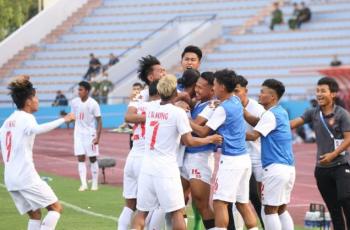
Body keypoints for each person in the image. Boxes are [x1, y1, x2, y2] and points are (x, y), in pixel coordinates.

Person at [131, 75, 222, 230]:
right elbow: (189, 141)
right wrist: (210, 139)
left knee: (141, 213)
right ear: (174, 91)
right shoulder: (177, 113)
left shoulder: (151, 107)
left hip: (147, 167)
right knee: (177, 213)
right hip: (166, 168)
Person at [0, 78, 74, 230]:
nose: (37, 100)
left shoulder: (7, 121)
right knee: (56, 208)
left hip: (10, 178)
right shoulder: (27, 118)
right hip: (25, 175)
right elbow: (38, 129)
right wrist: (63, 119)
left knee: (35, 215)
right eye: (35, 97)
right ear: (28, 101)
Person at [190, 69, 258, 229]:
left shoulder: (223, 109)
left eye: (214, 84)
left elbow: (203, 131)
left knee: (219, 202)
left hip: (231, 161)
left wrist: (184, 118)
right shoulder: (235, 101)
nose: (213, 88)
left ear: (221, 87)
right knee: (242, 203)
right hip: (243, 159)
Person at [290, 77, 350, 229]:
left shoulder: (342, 114)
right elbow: (293, 123)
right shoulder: (313, 112)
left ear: (333, 94)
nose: (319, 94)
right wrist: (272, 122)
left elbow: (348, 139)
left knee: (345, 199)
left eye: (323, 91)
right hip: (321, 169)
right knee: (334, 209)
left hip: (341, 166)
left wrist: (333, 155)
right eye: (317, 91)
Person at [245, 79, 295, 230]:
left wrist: (231, 134)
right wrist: (242, 110)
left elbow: (254, 135)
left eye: (262, 92)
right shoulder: (281, 112)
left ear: (272, 97)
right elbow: (258, 122)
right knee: (281, 209)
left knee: (269, 210)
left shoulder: (270, 115)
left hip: (274, 168)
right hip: (288, 168)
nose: (259, 95)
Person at [118, 80, 162, 230]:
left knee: (129, 205)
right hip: (146, 159)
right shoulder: (161, 108)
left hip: (132, 157)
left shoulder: (138, 105)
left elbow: (128, 117)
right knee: (152, 205)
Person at [180, 72, 216, 230]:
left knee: (202, 204)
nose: (197, 90)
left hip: (201, 156)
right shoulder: (198, 102)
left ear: (212, 90)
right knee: (177, 201)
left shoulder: (213, 105)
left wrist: (182, 116)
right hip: (186, 155)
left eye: (201, 87)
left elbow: (197, 127)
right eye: (196, 86)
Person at [233, 75, 266, 229]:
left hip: (256, 158)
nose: (234, 95)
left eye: (237, 91)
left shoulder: (257, 108)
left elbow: (255, 136)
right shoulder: (229, 106)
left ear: (245, 91)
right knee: (237, 199)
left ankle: (266, 225)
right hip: (238, 157)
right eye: (231, 91)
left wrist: (232, 135)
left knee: (259, 199)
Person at [71, 81, 102, 191]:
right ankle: (83, 184)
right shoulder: (74, 102)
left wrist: (98, 137)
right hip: (78, 134)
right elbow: (73, 116)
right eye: (78, 89)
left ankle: (94, 183)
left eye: (81, 90)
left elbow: (99, 120)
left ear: (87, 91)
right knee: (80, 158)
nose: (78, 92)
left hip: (90, 134)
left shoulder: (93, 103)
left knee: (93, 158)